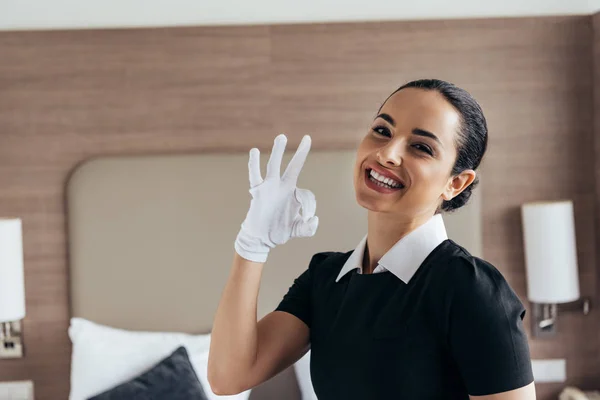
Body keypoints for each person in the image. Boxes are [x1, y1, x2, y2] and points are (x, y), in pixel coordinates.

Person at [208, 79, 536, 399]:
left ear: (456, 183)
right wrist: (253, 242)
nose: (388, 153)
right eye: (382, 131)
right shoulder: (326, 279)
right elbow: (229, 377)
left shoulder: (472, 289)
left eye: (421, 147)